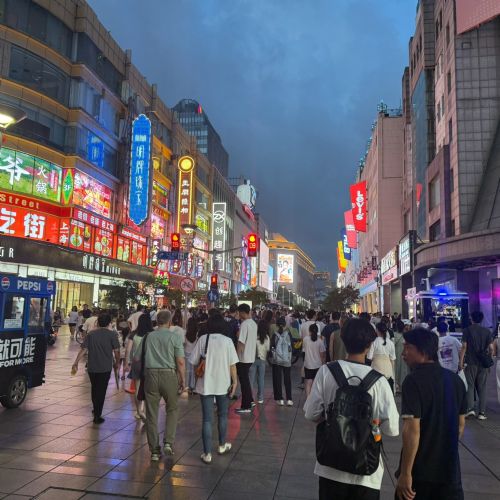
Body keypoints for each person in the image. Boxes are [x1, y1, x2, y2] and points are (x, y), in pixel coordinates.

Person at [304, 318, 399, 499]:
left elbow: (311, 414)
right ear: (369, 345)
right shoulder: (379, 381)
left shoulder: (326, 372)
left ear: (343, 340)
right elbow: (392, 429)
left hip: (330, 466)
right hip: (366, 472)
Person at [396, 327, 466, 500]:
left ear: (424, 351)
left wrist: (405, 473)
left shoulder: (413, 381)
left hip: (421, 472)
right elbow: (460, 425)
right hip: (450, 473)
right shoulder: (455, 381)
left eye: (408, 348)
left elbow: (411, 430)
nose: (403, 353)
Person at [190, 313, 239, 464]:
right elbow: (232, 365)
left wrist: (197, 376)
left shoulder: (203, 339)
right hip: (223, 384)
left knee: (207, 419)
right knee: (223, 415)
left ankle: (207, 454)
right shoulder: (228, 341)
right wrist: (235, 382)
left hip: (205, 384)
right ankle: (222, 445)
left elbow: (193, 362)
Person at [143, 310, 185, 461]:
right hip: (169, 375)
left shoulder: (148, 336)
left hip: (151, 375)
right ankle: (168, 442)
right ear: (169, 322)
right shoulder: (175, 337)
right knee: (172, 409)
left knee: (151, 413)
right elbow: (180, 361)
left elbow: (138, 357)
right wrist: (182, 379)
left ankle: (154, 451)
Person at [71, 312, 120, 424]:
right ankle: (97, 414)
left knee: (94, 388)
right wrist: (117, 363)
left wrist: (76, 362)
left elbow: (83, 349)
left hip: (92, 367)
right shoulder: (112, 335)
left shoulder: (91, 334)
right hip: (105, 368)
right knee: (101, 391)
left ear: (97, 322)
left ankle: (95, 409)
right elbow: (117, 351)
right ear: (109, 323)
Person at [459, 310, 494, 420]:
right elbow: (491, 348)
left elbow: (464, 347)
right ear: (482, 319)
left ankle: (470, 409)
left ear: (471, 319)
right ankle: (482, 413)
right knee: (482, 387)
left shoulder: (467, 331)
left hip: (470, 362)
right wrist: (488, 360)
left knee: (470, 385)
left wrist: (460, 362)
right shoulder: (487, 331)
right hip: (483, 364)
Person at [124, 313, 154, 420]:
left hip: (136, 363)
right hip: (150, 364)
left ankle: (138, 411)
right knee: (148, 389)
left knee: (137, 388)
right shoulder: (153, 334)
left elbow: (128, 350)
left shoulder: (134, 334)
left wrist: (126, 363)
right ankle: (145, 411)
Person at [235, 303, 258, 414]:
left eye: (239, 313)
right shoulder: (253, 323)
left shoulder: (244, 324)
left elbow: (241, 342)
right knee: (246, 381)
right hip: (250, 356)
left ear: (243, 312)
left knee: (244, 382)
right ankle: (250, 400)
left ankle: (246, 406)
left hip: (243, 358)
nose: (238, 315)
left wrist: (236, 356)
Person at [367, 322, 396, 393]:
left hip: (376, 368)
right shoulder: (391, 343)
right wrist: (392, 372)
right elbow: (392, 359)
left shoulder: (374, 342)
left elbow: (369, 357)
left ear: (377, 330)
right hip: (388, 370)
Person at [249, 310, 271, 404]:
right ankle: (260, 397)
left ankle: (250, 398)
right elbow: (268, 349)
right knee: (261, 379)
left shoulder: (254, 336)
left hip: (253, 359)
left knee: (251, 380)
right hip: (262, 360)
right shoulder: (267, 337)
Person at [270, 316, 293, 406]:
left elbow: (272, 347)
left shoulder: (274, 335)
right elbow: (291, 347)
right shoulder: (289, 334)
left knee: (277, 379)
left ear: (276, 325)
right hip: (287, 360)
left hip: (277, 361)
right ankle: (289, 399)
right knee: (287, 379)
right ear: (285, 325)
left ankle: (280, 399)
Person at [303, 324, 326, 397]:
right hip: (317, 365)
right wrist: (323, 364)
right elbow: (322, 355)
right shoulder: (320, 341)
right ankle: (314, 399)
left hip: (308, 364)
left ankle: (308, 399)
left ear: (309, 331)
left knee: (308, 381)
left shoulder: (305, 339)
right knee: (315, 383)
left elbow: (304, 350)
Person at [393, 319, 409, 393]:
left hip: (396, 354)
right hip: (404, 355)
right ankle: (403, 386)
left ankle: (397, 386)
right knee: (404, 370)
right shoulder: (406, 335)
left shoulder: (394, 335)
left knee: (396, 370)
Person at [185, 316, 198, 393]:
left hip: (186, 353)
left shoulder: (185, 333)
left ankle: (186, 385)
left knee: (187, 370)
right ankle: (192, 386)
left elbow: (184, 344)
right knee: (193, 370)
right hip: (194, 354)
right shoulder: (197, 334)